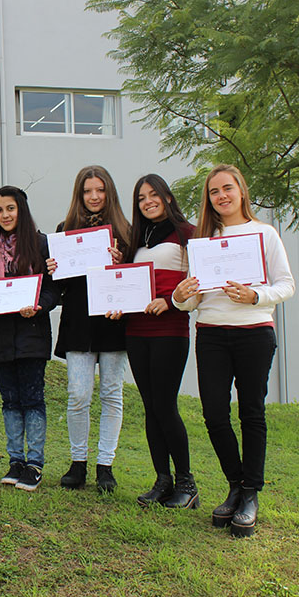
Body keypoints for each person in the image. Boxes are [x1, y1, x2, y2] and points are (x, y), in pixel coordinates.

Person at [172, 164, 294, 537]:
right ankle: (236, 485)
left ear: (241, 190)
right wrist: (180, 298)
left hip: (254, 332)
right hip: (211, 334)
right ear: (208, 200)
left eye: (227, 188)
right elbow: (194, 301)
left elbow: (286, 285)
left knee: (252, 413)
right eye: (214, 192)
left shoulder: (264, 234)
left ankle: (251, 494)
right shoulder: (203, 242)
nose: (221, 196)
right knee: (213, 414)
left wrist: (256, 295)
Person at [0, 186, 59, 492]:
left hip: (32, 334)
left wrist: (39, 306)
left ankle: (34, 463)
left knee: (32, 399)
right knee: (9, 401)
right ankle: (15, 461)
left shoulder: (42, 244)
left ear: (21, 210)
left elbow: (52, 291)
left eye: (10, 208)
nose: (5, 215)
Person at [48, 165, 131, 493]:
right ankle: (78, 462)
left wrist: (120, 263)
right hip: (79, 320)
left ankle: (105, 465)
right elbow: (62, 284)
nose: (94, 196)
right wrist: (54, 268)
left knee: (112, 393)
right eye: (87, 191)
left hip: (112, 321)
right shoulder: (64, 228)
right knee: (78, 394)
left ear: (109, 192)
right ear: (79, 195)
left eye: (100, 190)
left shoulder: (125, 230)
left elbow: (133, 280)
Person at [121, 174, 198, 508]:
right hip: (136, 330)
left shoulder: (188, 234)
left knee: (165, 405)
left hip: (170, 330)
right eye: (141, 198)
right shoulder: (136, 238)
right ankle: (162, 481)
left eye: (154, 194)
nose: (148, 201)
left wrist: (170, 301)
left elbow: (197, 285)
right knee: (150, 406)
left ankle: (187, 484)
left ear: (167, 196)